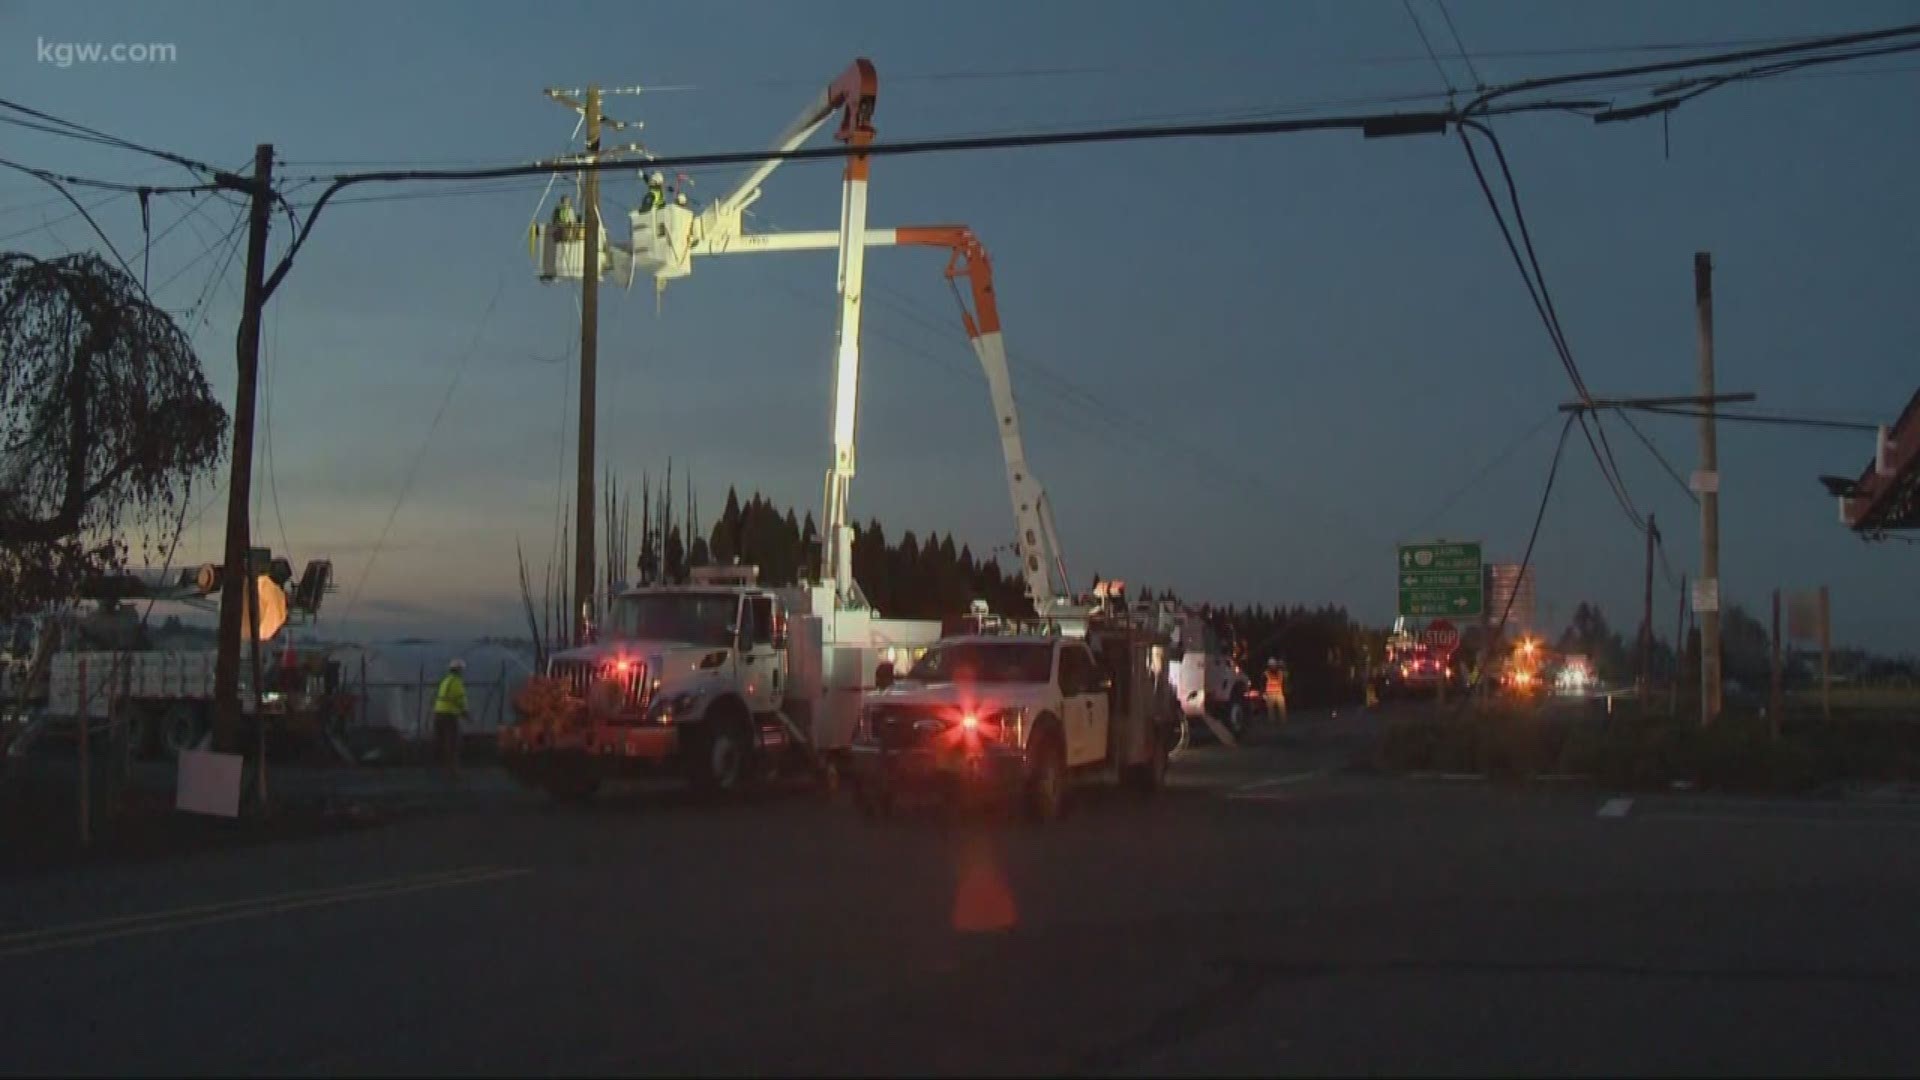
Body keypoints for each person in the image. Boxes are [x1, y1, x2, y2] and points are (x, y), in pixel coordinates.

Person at [433, 658, 468, 777]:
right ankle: (453, 771)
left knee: (442, 742)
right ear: (459, 670)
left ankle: (443, 768)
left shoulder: (445, 680)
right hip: (449, 715)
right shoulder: (457, 681)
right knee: (453, 743)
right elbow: (460, 699)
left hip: (438, 713)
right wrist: (466, 714)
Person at [1263, 659, 1288, 726]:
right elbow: (1263, 683)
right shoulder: (1266, 673)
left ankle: (1283, 723)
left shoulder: (1280, 672)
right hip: (1270, 694)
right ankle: (1272, 723)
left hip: (1279, 693)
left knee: (1281, 709)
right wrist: (1264, 693)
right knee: (1271, 711)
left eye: (1274, 665)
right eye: (1271, 665)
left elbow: (1285, 678)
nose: (1273, 666)